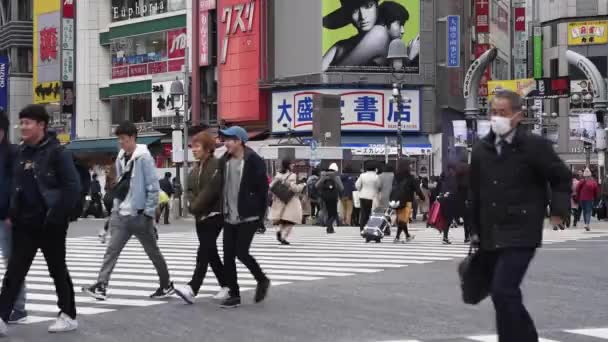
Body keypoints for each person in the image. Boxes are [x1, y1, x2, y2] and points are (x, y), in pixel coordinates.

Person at [469, 90, 571, 342]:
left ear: (517, 116)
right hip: (491, 230)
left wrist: (558, 211)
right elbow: (474, 192)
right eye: (493, 112)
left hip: (522, 229)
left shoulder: (534, 146)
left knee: (504, 289)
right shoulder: (482, 149)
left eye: (502, 113)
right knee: (499, 293)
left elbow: (561, 177)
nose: (496, 118)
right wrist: (473, 229)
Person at [0, 105, 82, 335]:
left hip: (50, 223)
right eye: (21, 122)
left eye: (27, 123)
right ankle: (2, 316)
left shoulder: (58, 153)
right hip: (24, 224)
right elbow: (17, 187)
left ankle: (68, 315)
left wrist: (57, 216)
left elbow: (72, 188)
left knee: (57, 269)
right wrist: (12, 214)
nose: (23, 127)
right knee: (14, 271)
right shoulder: (21, 152)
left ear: (42, 125)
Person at [82, 121, 174, 301]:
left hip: (139, 214)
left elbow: (153, 187)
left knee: (153, 252)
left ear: (132, 138)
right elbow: (121, 186)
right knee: (112, 250)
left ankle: (166, 284)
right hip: (122, 214)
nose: (121, 143)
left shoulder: (144, 158)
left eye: (123, 139)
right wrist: (114, 212)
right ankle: (101, 285)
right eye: (119, 140)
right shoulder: (122, 156)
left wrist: (148, 213)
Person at [218, 126, 271, 308]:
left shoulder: (253, 160)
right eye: (224, 140)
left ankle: (262, 279)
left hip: (248, 216)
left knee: (241, 252)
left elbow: (263, 191)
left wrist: (262, 217)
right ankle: (234, 295)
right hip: (229, 215)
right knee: (228, 256)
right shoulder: (224, 160)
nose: (225, 144)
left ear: (239, 140)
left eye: (229, 140)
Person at [174, 131, 229, 304]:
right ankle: (227, 285)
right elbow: (188, 190)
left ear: (207, 148)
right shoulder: (196, 168)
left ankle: (192, 288)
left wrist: (195, 206)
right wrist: (193, 205)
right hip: (200, 216)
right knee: (210, 252)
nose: (194, 150)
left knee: (203, 251)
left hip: (214, 214)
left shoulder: (216, 165)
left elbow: (211, 191)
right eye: (193, 146)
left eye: (197, 146)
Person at [0, 111, 28, 324]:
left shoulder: (12, 153)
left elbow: (17, 187)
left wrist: (12, 212)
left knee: (13, 262)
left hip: (7, 217)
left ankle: (18, 308)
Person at [322, 0, 390, 71]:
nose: (363, 16)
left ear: (377, 7)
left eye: (368, 6)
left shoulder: (379, 34)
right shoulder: (341, 45)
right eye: (354, 10)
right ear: (348, 14)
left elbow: (335, 76)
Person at [270, 159, 305, 245]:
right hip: (290, 200)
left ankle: (279, 231)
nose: (293, 166)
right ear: (288, 165)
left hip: (279, 199)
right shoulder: (292, 175)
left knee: (281, 219)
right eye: (292, 164)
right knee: (291, 220)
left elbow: (271, 186)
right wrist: (302, 185)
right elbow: (294, 188)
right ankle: (283, 236)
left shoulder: (278, 175)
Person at [392, 161, 424, 243]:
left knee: (401, 219)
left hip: (397, 200)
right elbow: (417, 189)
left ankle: (407, 236)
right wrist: (422, 197)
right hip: (407, 201)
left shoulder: (396, 177)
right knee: (403, 220)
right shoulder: (410, 177)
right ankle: (397, 237)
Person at [316, 163, 344, 234]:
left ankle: (330, 229)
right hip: (334, 197)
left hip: (325, 197)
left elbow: (316, 186)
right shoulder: (336, 177)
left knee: (328, 213)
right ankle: (329, 225)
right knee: (334, 214)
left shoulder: (323, 176)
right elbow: (341, 188)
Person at [356, 162, 380, 232]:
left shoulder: (362, 175)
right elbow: (379, 186)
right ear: (375, 169)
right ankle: (370, 228)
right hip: (373, 197)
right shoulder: (376, 176)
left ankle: (362, 228)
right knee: (372, 213)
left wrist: (360, 190)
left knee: (364, 213)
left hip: (363, 196)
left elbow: (357, 185)